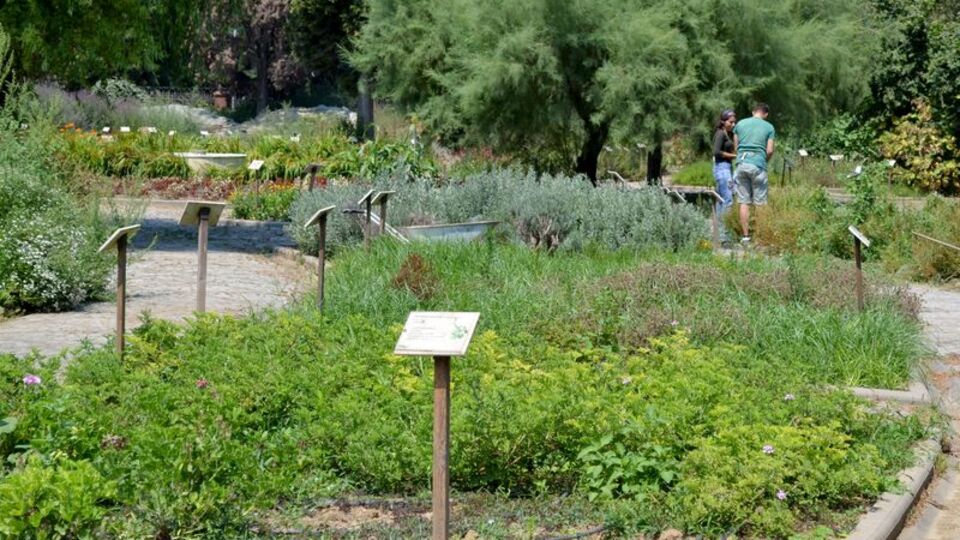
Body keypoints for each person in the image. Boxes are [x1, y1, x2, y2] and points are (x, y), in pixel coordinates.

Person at [732, 103, 775, 245]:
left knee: (744, 202)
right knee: (760, 203)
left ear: (753, 112)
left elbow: (736, 147)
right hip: (758, 165)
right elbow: (769, 150)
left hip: (742, 164)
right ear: (766, 114)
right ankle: (760, 236)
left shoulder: (740, 124)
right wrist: (764, 161)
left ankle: (745, 237)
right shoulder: (769, 127)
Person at [712, 109, 737, 216]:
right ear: (723, 121)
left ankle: (719, 225)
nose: (733, 124)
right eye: (731, 122)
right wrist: (735, 156)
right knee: (728, 200)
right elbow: (716, 152)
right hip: (722, 168)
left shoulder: (727, 134)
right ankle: (724, 226)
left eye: (734, 122)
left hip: (726, 167)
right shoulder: (720, 134)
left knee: (721, 199)